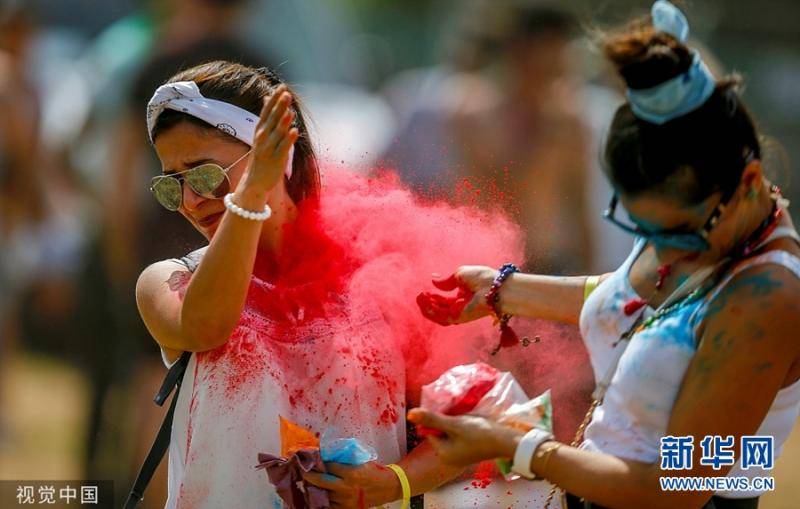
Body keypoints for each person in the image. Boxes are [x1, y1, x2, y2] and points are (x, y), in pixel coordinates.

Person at [410, 2, 800, 509]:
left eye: (677, 233)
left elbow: (675, 486)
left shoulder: (766, 300)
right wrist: (505, 291)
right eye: (643, 227)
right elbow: (631, 298)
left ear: (748, 183)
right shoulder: (704, 228)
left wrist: (520, 447)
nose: (663, 251)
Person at [136, 60, 508, 509]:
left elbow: (468, 424)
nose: (191, 202)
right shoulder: (171, 280)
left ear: (274, 151)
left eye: (204, 175)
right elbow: (206, 327)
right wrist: (250, 195)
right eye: (172, 185)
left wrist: (394, 483)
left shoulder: (381, 274)